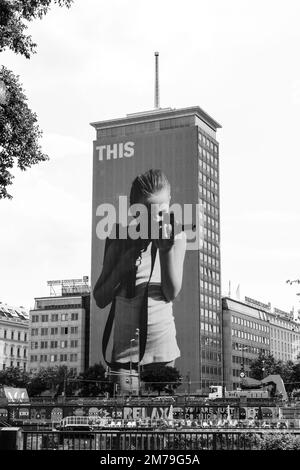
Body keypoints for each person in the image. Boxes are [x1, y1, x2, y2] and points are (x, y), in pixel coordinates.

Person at [93, 169, 187, 393]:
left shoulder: (177, 237)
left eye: (160, 211)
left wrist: (165, 251)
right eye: (145, 212)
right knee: (124, 420)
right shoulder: (118, 237)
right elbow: (100, 298)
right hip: (125, 352)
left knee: (160, 421)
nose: (155, 219)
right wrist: (122, 266)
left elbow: (171, 292)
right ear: (133, 210)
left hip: (162, 351)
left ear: (169, 203)